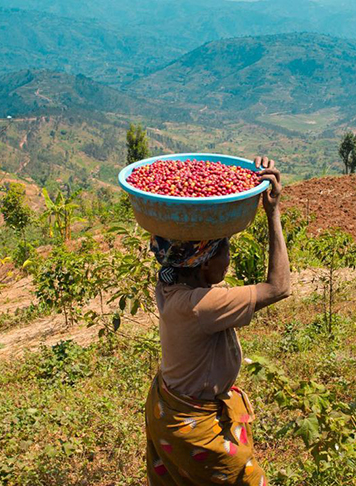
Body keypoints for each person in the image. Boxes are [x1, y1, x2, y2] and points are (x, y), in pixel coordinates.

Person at [145, 156, 290, 485]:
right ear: (203, 264)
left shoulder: (170, 283)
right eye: (223, 248)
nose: (230, 255)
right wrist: (273, 211)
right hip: (193, 425)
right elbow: (280, 287)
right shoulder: (202, 306)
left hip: (168, 406)